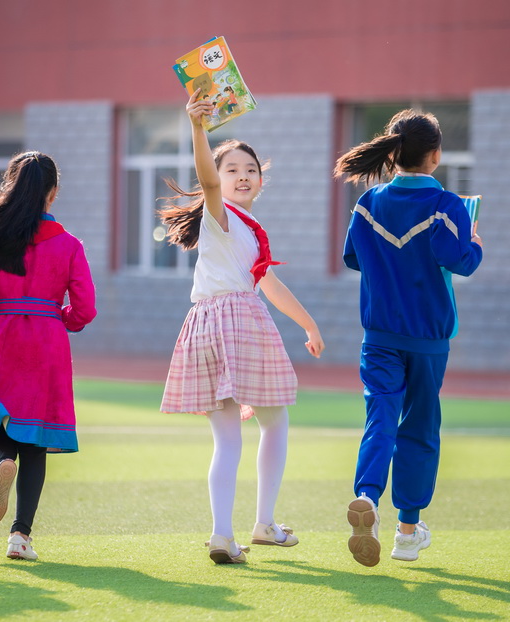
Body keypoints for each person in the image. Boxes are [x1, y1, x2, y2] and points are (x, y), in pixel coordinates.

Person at [159, 90, 325, 564]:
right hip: (234, 321)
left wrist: (308, 323)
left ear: (260, 179)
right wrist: (197, 128)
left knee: (230, 437)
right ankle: (262, 525)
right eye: (232, 169)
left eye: (250, 169)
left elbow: (268, 281)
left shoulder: (247, 226)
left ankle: (226, 534)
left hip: (210, 323)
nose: (242, 176)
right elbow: (208, 184)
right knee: (271, 424)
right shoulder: (220, 213)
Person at [334, 109, 483, 567]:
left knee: (380, 415)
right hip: (427, 339)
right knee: (419, 428)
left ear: (393, 153)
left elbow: (353, 259)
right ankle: (407, 532)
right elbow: (462, 261)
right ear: (435, 155)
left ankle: (367, 497)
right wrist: (473, 240)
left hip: (378, 335)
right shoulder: (448, 206)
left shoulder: (368, 203)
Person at [0, 151, 97, 561]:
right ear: (53, 193)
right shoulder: (69, 245)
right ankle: (20, 536)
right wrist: (63, 321)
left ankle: (2, 463)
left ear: (13, 186)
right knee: (35, 441)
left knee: (1, 429)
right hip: (48, 341)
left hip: (3, 335)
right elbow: (86, 308)